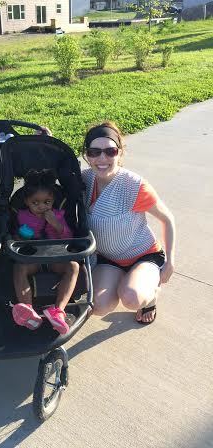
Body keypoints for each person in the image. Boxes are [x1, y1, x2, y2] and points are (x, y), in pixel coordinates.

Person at [81, 121, 175, 324]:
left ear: (120, 152)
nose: (102, 158)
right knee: (98, 306)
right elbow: (56, 172)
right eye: (94, 152)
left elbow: (167, 219)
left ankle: (150, 297)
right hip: (108, 258)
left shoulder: (134, 185)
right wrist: (46, 141)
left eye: (110, 151)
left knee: (132, 298)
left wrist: (170, 262)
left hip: (144, 255)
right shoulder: (84, 180)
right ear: (87, 155)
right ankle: (130, 281)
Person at [12, 169, 80, 334]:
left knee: (74, 266)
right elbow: (13, 236)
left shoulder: (58, 214)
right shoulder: (21, 215)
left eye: (47, 202)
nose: (42, 207)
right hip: (32, 257)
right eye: (35, 203)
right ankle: (28, 310)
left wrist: (56, 224)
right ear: (27, 202)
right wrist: (21, 237)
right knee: (19, 268)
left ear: (53, 201)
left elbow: (69, 237)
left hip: (55, 255)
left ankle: (58, 311)